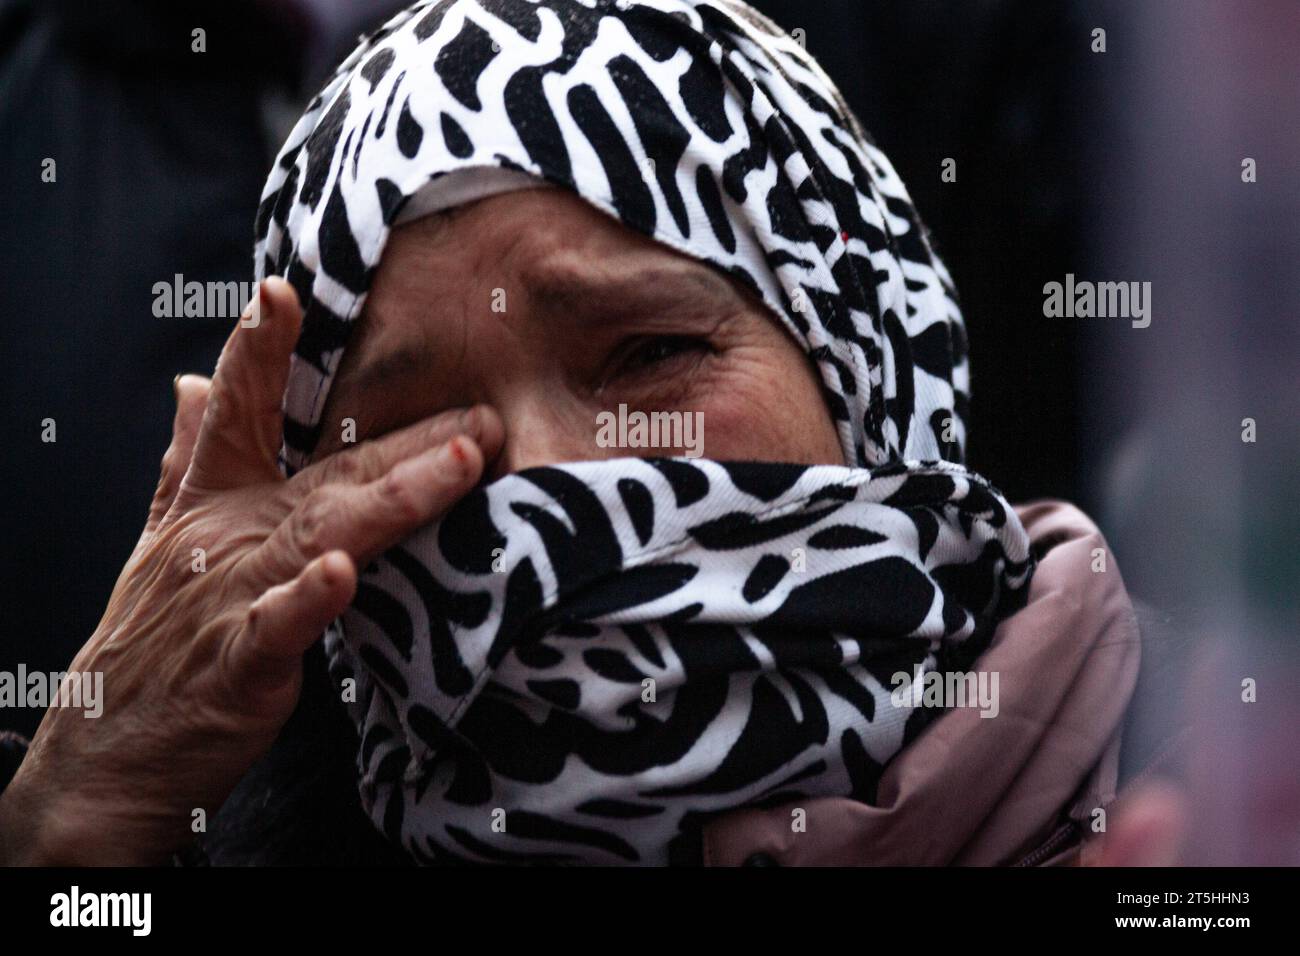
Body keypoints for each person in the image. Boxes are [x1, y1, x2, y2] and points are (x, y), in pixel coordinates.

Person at [0, 0, 1168, 866]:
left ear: (874, 372)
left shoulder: (1208, 803)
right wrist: (69, 830)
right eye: (410, 433)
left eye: (650, 355)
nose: (545, 494)